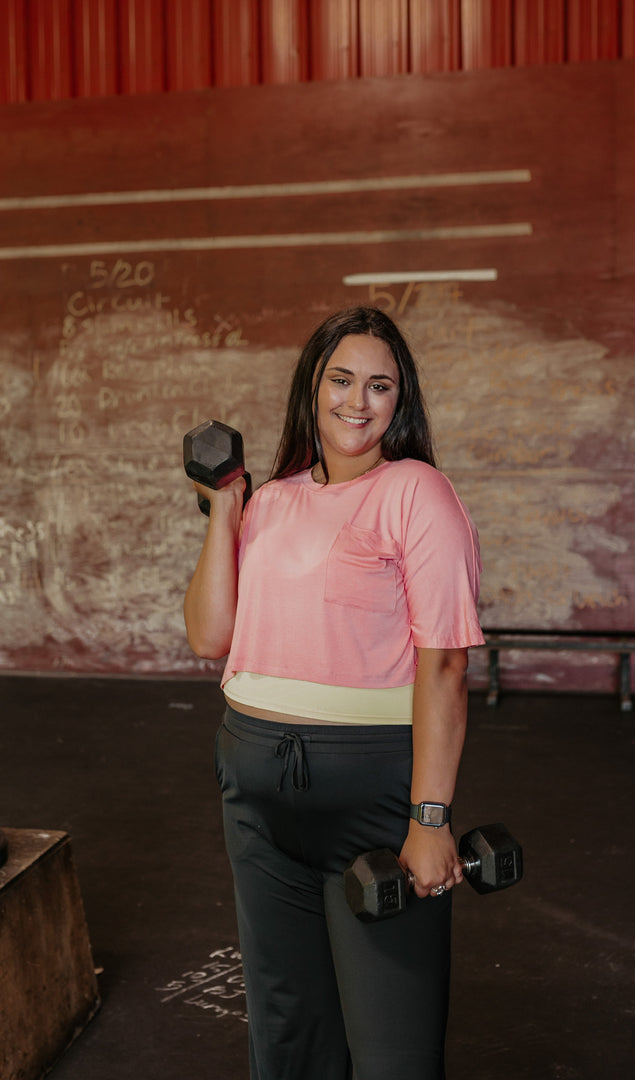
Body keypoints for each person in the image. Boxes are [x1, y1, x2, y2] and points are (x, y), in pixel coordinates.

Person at [183, 306, 484, 1080]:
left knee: (393, 1049)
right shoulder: (272, 501)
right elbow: (211, 636)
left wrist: (430, 818)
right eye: (341, 379)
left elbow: (445, 665)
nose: (358, 401)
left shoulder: (417, 493)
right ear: (311, 388)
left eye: (379, 385)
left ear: (401, 399)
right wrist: (225, 510)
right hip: (257, 801)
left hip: (372, 804)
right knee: (287, 1035)